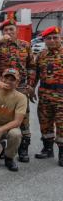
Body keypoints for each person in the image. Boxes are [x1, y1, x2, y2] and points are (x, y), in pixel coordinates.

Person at [0, 19, 35, 162]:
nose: (8, 32)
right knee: (2, 113)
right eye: (5, 30)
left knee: (24, 118)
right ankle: (1, 143)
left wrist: (30, 84)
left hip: (21, 87)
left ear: (17, 31)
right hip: (3, 86)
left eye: (11, 29)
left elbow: (32, 67)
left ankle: (23, 148)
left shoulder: (25, 45)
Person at [31, 26, 63, 165]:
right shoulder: (41, 55)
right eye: (49, 38)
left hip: (61, 96)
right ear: (44, 40)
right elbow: (35, 74)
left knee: (62, 125)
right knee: (45, 123)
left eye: (55, 37)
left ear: (60, 38)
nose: (52, 40)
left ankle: (62, 153)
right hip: (44, 95)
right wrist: (31, 88)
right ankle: (47, 149)